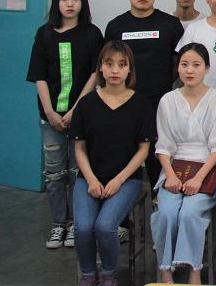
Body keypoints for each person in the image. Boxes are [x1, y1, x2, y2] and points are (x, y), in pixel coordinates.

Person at [27, 0, 104, 250]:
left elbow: (96, 74)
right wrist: (49, 111)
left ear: (83, 2)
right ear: (56, 3)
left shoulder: (92, 33)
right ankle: (58, 223)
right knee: (54, 172)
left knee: (78, 171)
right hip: (50, 118)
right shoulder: (44, 33)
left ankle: (76, 224)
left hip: (81, 116)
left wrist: (75, 110)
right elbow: (38, 75)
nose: (70, 4)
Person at [71, 40, 153, 286]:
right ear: (100, 68)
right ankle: (88, 274)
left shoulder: (141, 104)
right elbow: (79, 148)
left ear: (130, 69)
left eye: (122, 64)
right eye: (109, 64)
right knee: (83, 227)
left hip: (127, 179)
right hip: (89, 177)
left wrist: (118, 180)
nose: (115, 70)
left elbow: (144, 150)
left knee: (105, 226)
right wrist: (91, 179)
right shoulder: (86, 104)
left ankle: (108, 273)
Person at [151, 43, 216, 285]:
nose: (190, 70)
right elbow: (163, 145)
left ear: (207, 68)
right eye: (184, 64)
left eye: (196, 65)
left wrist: (198, 178)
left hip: (208, 168)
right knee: (166, 213)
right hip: (174, 168)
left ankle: (194, 271)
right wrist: (170, 175)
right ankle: (166, 273)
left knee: (189, 212)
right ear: (178, 68)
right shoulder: (168, 100)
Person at [105, 0, 184, 186]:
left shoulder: (170, 24)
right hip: (122, 102)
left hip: (159, 103)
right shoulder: (115, 26)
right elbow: (106, 65)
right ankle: (123, 201)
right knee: (122, 155)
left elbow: (180, 64)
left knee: (157, 156)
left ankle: (159, 197)